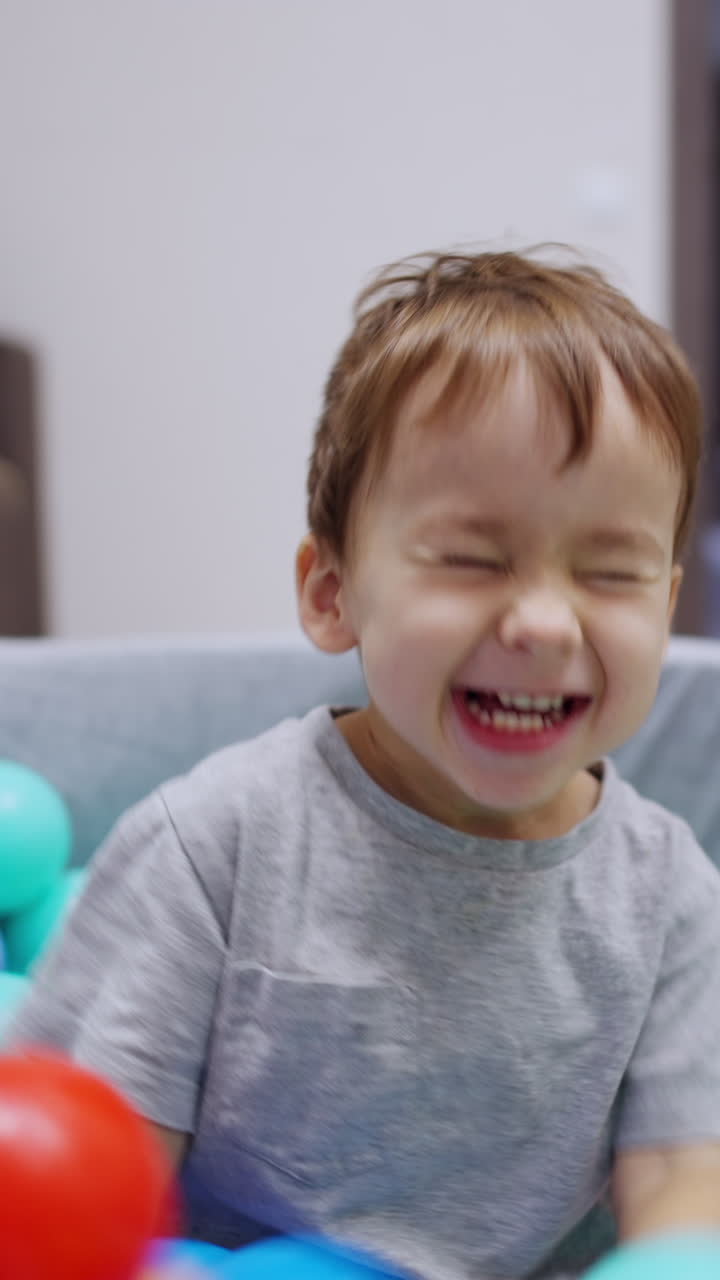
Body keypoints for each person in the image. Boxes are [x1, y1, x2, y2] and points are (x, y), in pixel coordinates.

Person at [9, 248, 720, 1280]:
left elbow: (681, 1194)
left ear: (664, 608)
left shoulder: (674, 899)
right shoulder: (217, 844)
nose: (541, 620)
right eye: (472, 557)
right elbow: (81, 1173)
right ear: (332, 590)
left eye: (609, 572)